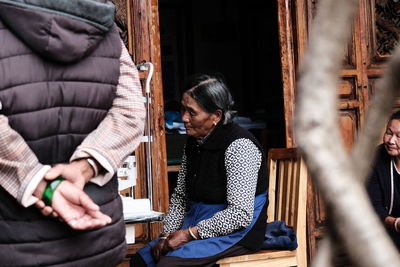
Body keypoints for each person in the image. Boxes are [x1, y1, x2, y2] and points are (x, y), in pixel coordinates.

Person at [0, 0, 145, 266]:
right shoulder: (105, 27)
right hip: (95, 233)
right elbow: (131, 111)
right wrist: (85, 167)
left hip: (13, 242)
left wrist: (43, 183)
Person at [131, 74, 268, 267]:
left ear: (216, 116)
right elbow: (180, 196)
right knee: (142, 261)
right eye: (182, 109)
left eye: (192, 112)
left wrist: (189, 234)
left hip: (236, 233)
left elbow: (239, 215)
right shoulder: (194, 143)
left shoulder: (240, 147)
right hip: (198, 222)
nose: (183, 118)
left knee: (169, 265)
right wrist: (166, 235)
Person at [367, 110, 400, 250]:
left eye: (399, 136)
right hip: (383, 234)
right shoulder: (375, 158)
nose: (391, 141)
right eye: (388, 133)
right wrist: (396, 223)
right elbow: (374, 207)